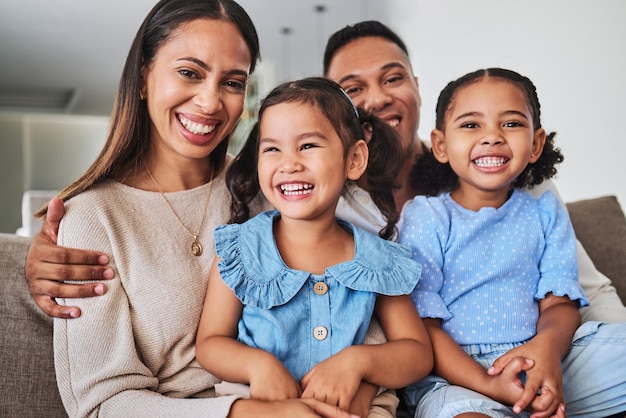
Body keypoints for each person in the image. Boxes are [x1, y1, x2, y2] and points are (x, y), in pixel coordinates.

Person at [38, 0, 364, 417]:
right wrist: (246, 413)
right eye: (190, 73)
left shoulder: (270, 190)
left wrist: (363, 378)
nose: (211, 103)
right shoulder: (91, 218)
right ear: (143, 77)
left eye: (232, 82)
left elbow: (355, 299)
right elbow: (101, 405)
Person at [322, 20, 626, 324]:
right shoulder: (321, 202)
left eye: (393, 78)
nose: (378, 98)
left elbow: (589, 291)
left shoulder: (501, 166)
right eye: (353, 88)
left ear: (416, 86)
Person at [195, 76, 433, 418]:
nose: (289, 163)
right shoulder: (241, 249)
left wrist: (357, 363)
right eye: (272, 148)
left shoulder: (377, 259)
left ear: (354, 159)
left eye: (308, 146)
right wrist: (258, 366)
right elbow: (210, 343)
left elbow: (417, 354)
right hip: (262, 407)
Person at [398, 67, 626, 418]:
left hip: (550, 360)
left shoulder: (544, 212)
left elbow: (558, 304)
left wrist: (545, 354)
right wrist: (489, 384)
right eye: (471, 125)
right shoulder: (427, 216)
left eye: (511, 123)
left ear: (536, 144)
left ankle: (542, 398)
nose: (492, 137)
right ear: (441, 145)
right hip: (460, 378)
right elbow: (424, 326)